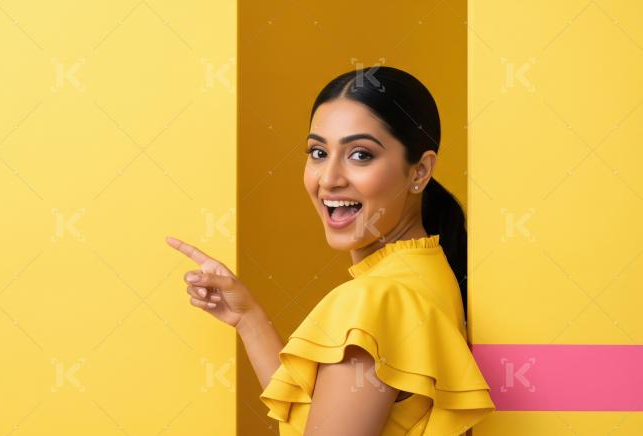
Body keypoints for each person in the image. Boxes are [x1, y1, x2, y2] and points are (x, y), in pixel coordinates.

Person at [165, 65, 495, 435]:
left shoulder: (373, 301)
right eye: (318, 152)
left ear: (419, 172)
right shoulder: (429, 273)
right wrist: (249, 319)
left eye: (360, 155)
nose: (329, 179)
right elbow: (329, 413)